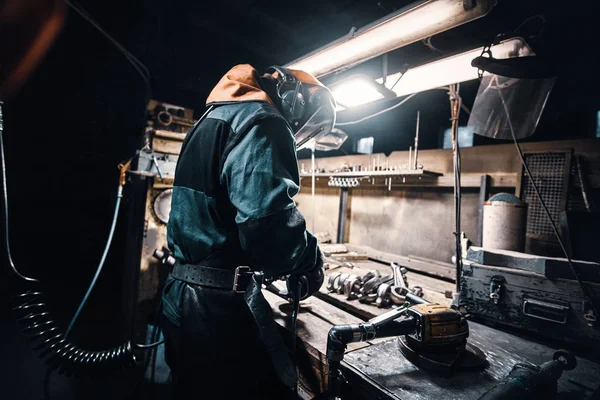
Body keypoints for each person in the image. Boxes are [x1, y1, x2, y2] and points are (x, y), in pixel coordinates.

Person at [161, 64, 336, 399]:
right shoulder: (263, 120)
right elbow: (267, 224)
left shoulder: (211, 120)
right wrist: (308, 259)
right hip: (214, 312)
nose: (300, 128)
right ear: (291, 97)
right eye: (306, 118)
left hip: (181, 295)